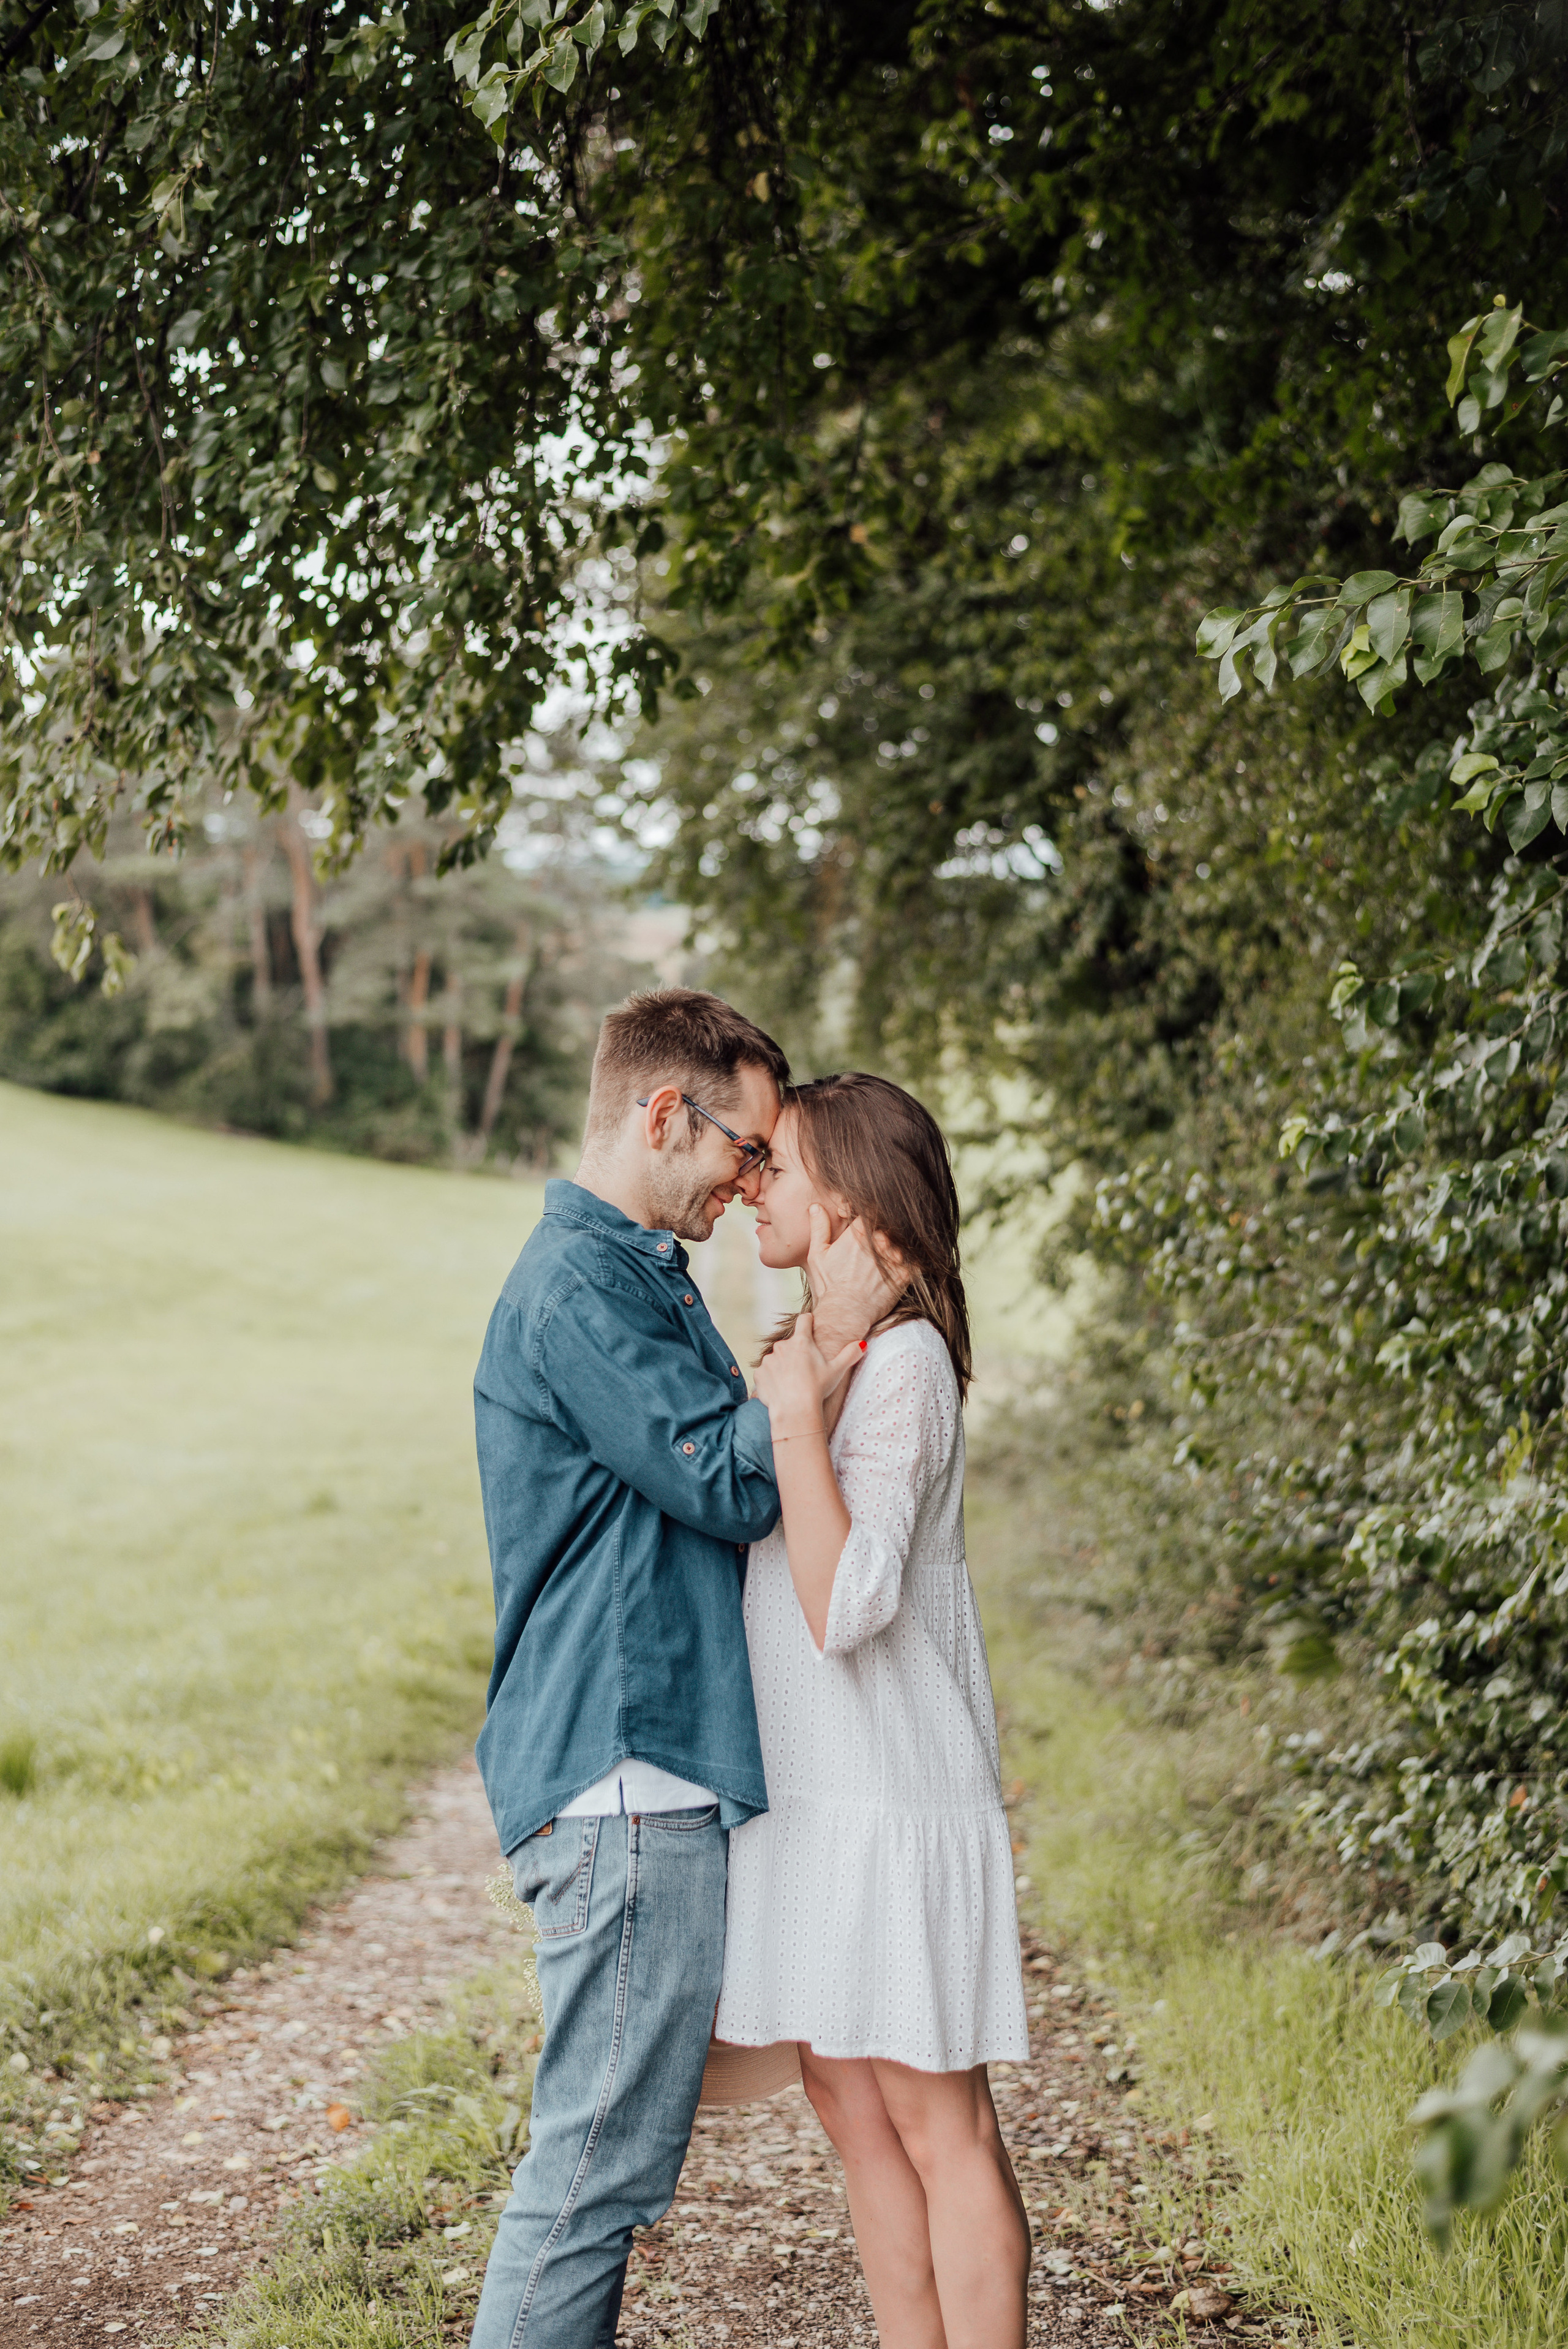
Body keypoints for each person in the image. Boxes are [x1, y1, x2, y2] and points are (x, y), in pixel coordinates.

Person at [467, 990, 894, 2349]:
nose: (754, 1181)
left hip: (645, 1772)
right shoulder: (581, 1285)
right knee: (591, 2179)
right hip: (621, 1770)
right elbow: (722, 1478)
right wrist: (826, 1348)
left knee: (605, 2169)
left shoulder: (634, 1274)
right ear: (665, 1114)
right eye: (746, 1149)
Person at [715, 1071, 1032, 2349]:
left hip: (892, 1795)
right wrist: (807, 1376)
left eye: (774, 1168)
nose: (749, 1185)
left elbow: (846, 1603)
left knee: (934, 2121)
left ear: (843, 1195)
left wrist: (794, 1414)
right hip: (817, 1798)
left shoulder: (900, 1367)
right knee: (851, 2111)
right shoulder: (850, 1353)